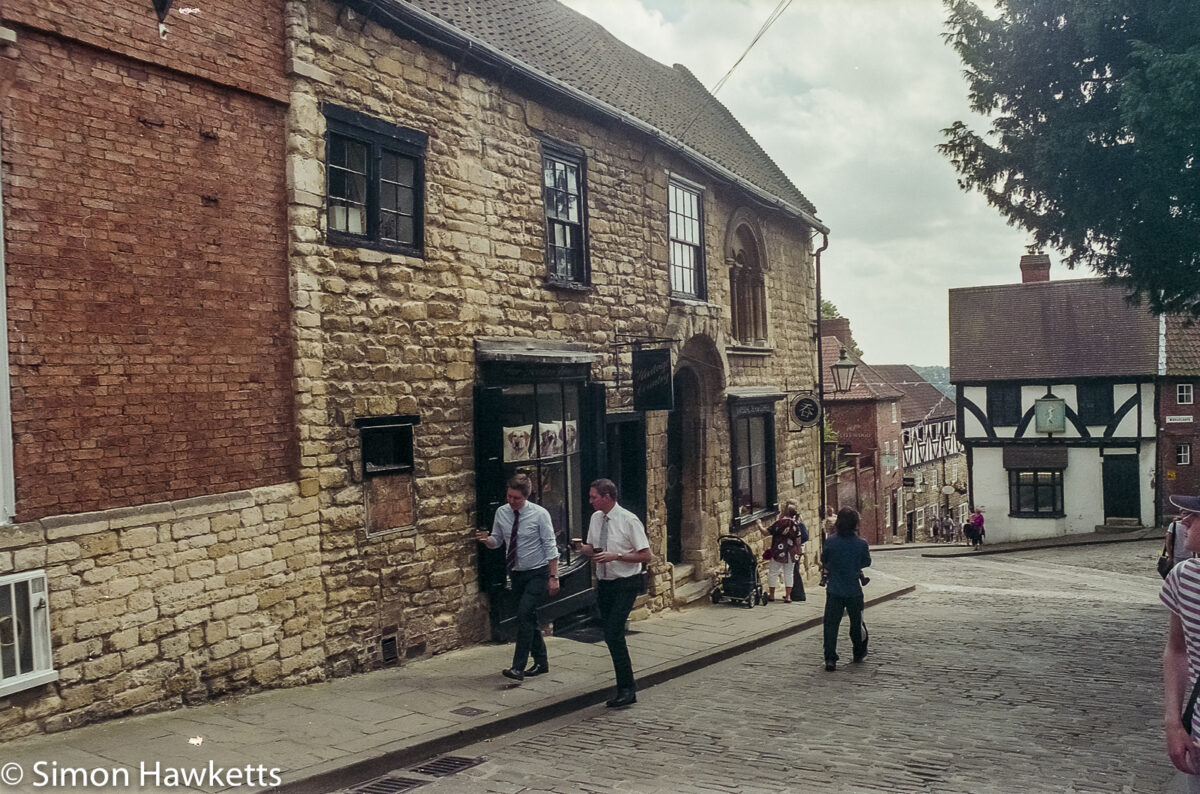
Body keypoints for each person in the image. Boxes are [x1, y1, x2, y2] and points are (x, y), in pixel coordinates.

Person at [475, 473, 559, 682]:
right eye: (509, 497)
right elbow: (497, 540)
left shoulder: (540, 515)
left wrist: (553, 576)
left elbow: (550, 546)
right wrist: (487, 541)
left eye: (516, 498)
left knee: (523, 615)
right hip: (516, 572)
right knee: (529, 617)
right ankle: (542, 662)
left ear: (526, 497)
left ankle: (518, 667)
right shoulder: (502, 513)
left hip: (537, 572)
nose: (512, 501)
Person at [579, 478, 651, 708]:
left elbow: (645, 555)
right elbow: (593, 547)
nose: (590, 501)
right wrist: (579, 549)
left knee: (613, 633)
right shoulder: (596, 518)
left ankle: (627, 689)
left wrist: (616, 556)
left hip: (626, 582)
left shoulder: (629, 520)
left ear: (607, 497)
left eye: (594, 497)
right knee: (611, 634)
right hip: (605, 582)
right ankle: (625, 686)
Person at [1161, 494, 1200, 788]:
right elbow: (1177, 650)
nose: (1184, 520)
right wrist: (1174, 722)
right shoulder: (1183, 578)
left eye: (1195, 515)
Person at [821, 507, 871, 672]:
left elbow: (825, 559)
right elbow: (866, 562)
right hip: (854, 590)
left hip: (835, 589)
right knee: (857, 624)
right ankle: (859, 652)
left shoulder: (830, 541)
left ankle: (830, 658)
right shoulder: (861, 543)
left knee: (831, 625)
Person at [757, 501, 803, 603]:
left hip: (779, 551)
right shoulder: (796, 524)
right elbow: (798, 540)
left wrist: (759, 525)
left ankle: (772, 595)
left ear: (786, 512)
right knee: (789, 573)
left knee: (773, 572)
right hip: (791, 552)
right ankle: (788, 596)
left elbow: (766, 532)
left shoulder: (780, 523)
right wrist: (799, 552)